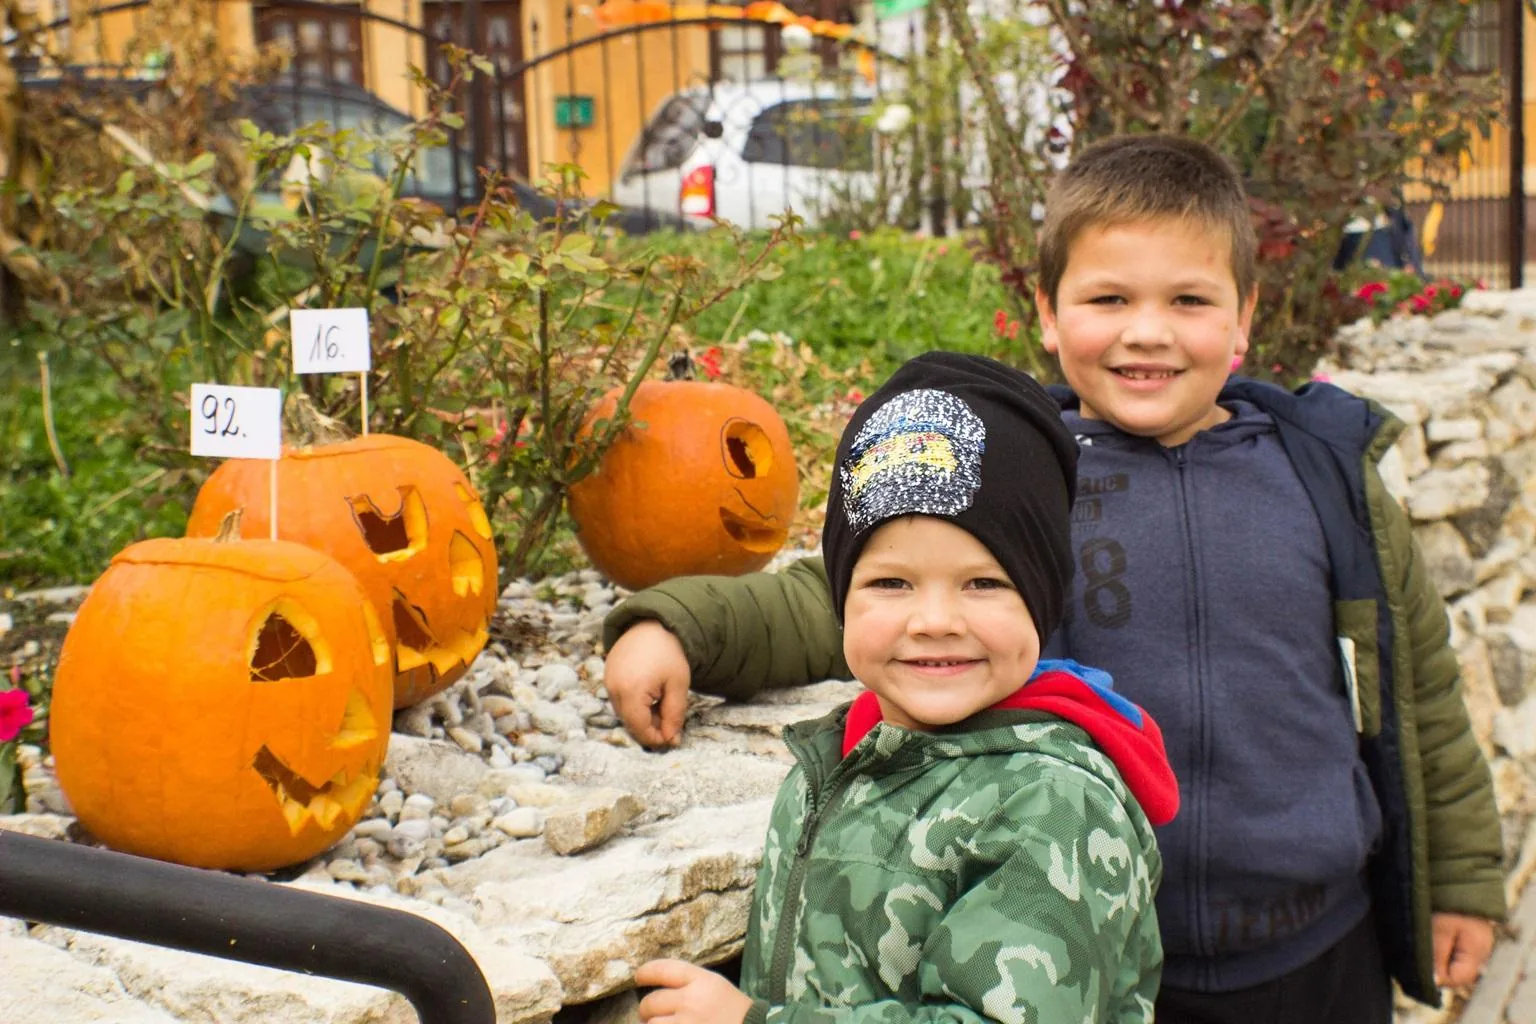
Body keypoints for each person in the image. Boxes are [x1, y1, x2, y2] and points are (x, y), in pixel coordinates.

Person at [603, 134, 1508, 1023]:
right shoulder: (1026, 477)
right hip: (1108, 948)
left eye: (1189, 299)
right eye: (1107, 297)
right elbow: (848, 590)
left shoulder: (1323, 477)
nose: (1146, 331)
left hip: (1319, 951)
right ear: (1047, 308)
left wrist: (1463, 880)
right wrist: (680, 626)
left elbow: (1421, 692)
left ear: (1245, 315)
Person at [634, 351, 1180, 1024]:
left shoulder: (1053, 804)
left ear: (1040, 602)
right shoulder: (851, 748)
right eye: (890, 583)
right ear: (842, 599)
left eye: (984, 583)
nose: (934, 622)